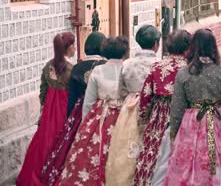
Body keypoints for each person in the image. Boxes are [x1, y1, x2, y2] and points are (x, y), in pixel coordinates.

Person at [164, 29, 221, 185]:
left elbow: (177, 107)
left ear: (192, 46)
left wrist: (173, 134)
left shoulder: (184, 73)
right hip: (219, 118)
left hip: (192, 122)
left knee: (191, 161)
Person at [57, 36, 129, 186]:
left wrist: (85, 126)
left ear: (105, 52)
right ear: (124, 53)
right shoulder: (128, 69)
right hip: (125, 114)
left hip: (102, 115)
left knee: (96, 150)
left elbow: (89, 101)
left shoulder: (98, 70)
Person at [41, 32, 107, 186]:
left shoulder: (76, 68)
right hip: (102, 109)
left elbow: (71, 96)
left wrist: (69, 117)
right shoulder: (104, 66)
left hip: (76, 111)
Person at [17, 32, 75, 186]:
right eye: (73, 45)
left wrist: (44, 107)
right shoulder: (71, 69)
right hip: (63, 109)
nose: (75, 48)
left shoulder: (47, 66)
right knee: (61, 141)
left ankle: (36, 174)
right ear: (68, 48)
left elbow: (43, 89)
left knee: (43, 141)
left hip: (49, 109)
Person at [133, 30, 191, 186]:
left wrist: (144, 118)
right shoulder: (190, 68)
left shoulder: (158, 66)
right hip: (185, 114)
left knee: (154, 154)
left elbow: (146, 95)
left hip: (160, 114)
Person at [105, 25, 161, 185]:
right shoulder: (159, 64)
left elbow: (120, 91)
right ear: (156, 44)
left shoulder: (127, 64)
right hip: (154, 107)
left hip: (130, 107)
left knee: (127, 148)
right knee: (152, 147)